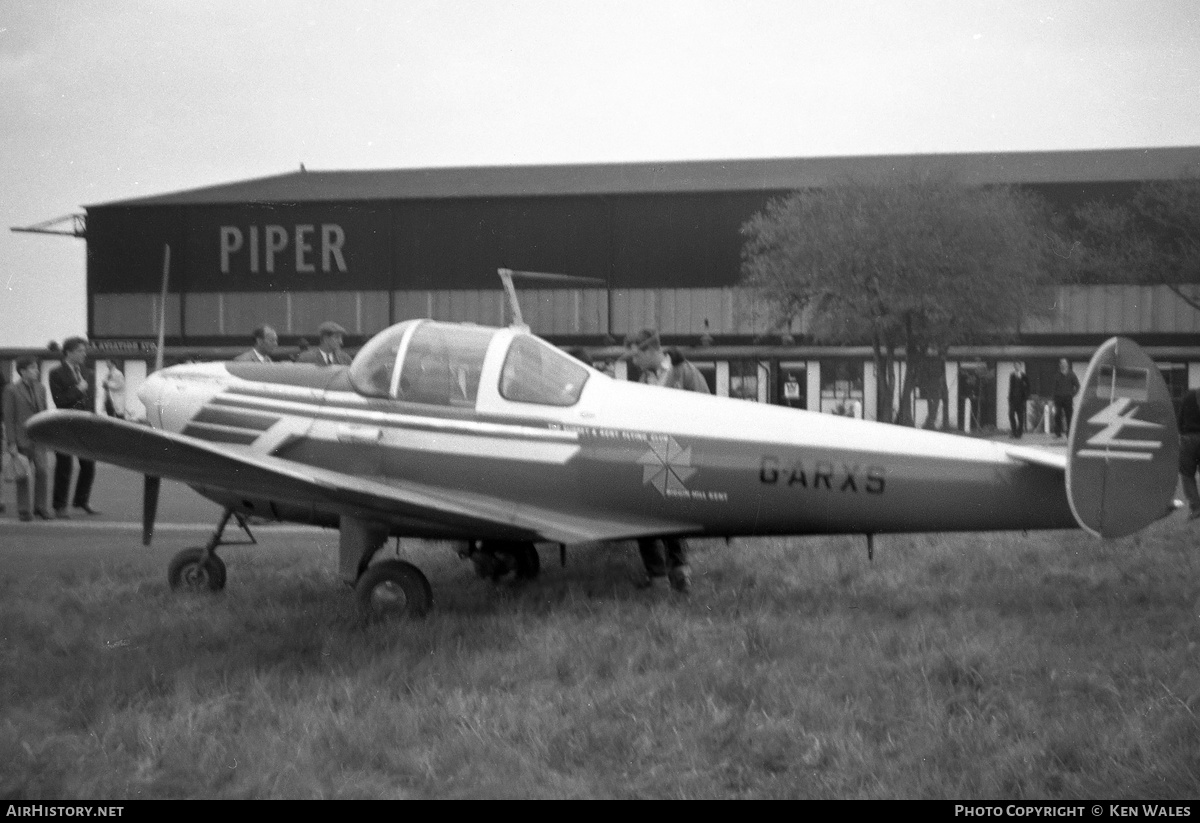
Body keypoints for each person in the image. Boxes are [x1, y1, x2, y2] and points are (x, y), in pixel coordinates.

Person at [624, 328, 711, 594]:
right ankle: (658, 578)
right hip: (651, 455)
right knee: (643, 514)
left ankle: (680, 573)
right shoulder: (642, 380)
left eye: (636, 355)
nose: (633, 361)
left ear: (651, 350)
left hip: (679, 455)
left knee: (672, 516)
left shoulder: (687, 374)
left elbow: (707, 411)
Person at [48, 337, 99, 517]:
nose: (84, 354)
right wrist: (78, 389)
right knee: (64, 465)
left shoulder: (88, 372)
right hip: (65, 424)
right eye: (80, 350)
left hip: (84, 424)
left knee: (88, 465)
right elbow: (59, 401)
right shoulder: (56, 373)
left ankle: (81, 500)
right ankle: (59, 506)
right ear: (68, 352)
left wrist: (93, 418)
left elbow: (92, 399)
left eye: (84, 350)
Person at [2, 356, 52, 521]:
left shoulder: (41, 388)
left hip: (39, 438)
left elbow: (44, 412)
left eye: (36, 367)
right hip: (21, 438)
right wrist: (11, 442)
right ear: (22, 371)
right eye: (32, 368)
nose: (36, 370)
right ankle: (24, 510)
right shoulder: (11, 389)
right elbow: (8, 418)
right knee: (22, 474)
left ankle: (41, 507)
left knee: (43, 472)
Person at [1178, 387, 1200, 521]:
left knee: (1187, 474)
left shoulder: (1189, 395)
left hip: (1188, 438)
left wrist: (1181, 433)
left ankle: (1196, 508)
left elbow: (1180, 417)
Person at [1051, 358, 1080, 439]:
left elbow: (1078, 386)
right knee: (1057, 416)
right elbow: (1054, 388)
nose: (1063, 365)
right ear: (1060, 365)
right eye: (1062, 363)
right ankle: (1058, 433)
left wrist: (1072, 395)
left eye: (1065, 363)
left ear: (1067, 365)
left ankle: (1069, 434)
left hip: (1068, 399)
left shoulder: (1071, 374)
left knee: (1069, 416)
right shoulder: (1057, 375)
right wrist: (1054, 398)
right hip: (1058, 399)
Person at [1007, 362, 1030, 438]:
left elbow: (1028, 387)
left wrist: (1026, 397)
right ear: (1014, 367)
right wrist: (1009, 397)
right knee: (1011, 415)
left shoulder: (1024, 376)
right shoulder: (1012, 375)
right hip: (1013, 399)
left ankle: (1019, 433)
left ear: (1020, 366)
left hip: (1021, 400)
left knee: (1020, 417)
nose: (1017, 367)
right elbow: (1011, 387)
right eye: (1015, 366)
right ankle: (1014, 431)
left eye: (1018, 366)